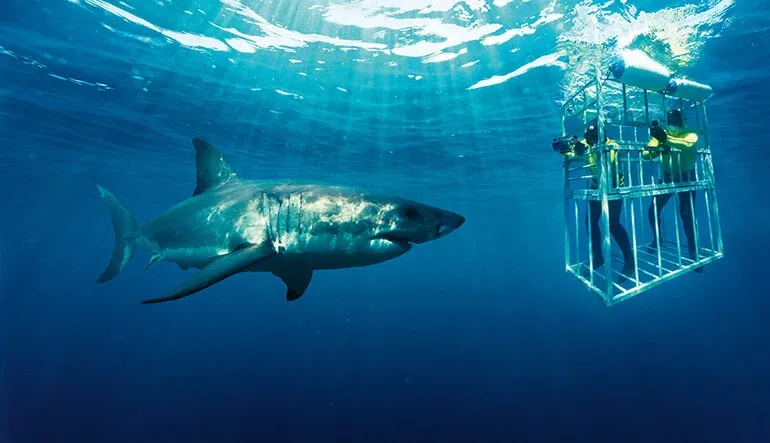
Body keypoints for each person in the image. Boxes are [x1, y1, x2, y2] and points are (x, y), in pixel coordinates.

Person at [554, 120, 635, 283]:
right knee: (590, 221)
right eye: (589, 139)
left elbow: (609, 161)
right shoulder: (588, 141)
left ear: (602, 137)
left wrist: (589, 150)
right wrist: (563, 149)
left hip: (613, 188)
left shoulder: (613, 145)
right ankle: (598, 258)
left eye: (594, 139)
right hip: (596, 187)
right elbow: (573, 152)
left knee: (613, 224)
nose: (591, 142)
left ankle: (630, 262)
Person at [643, 109, 703, 273]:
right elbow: (646, 156)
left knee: (686, 214)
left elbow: (688, 145)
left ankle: (693, 251)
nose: (673, 123)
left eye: (675, 120)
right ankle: (657, 239)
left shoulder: (690, 132)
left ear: (682, 119)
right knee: (653, 210)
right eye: (671, 120)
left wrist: (666, 139)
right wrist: (657, 142)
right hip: (668, 176)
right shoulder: (661, 134)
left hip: (687, 177)